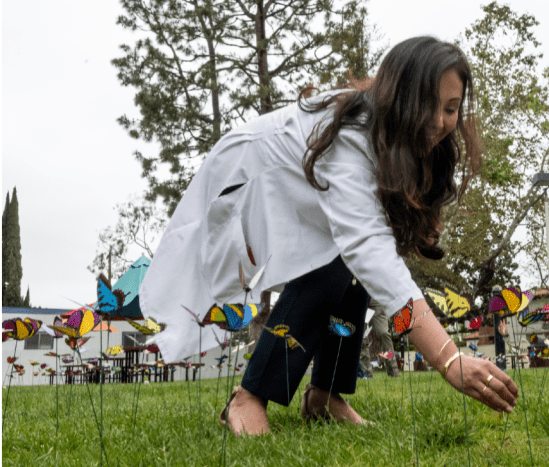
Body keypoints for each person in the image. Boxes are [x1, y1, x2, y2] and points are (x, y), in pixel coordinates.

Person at [139, 36, 518, 436]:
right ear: (401, 96)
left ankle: (324, 397)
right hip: (248, 185)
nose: (439, 122)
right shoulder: (352, 137)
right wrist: (448, 357)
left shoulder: (400, 138)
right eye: (429, 105)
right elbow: (368, 249)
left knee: (348, 265)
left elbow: (372, 249)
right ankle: (249, 396)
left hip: (300, 200)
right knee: (334, 261)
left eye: (451, 109)